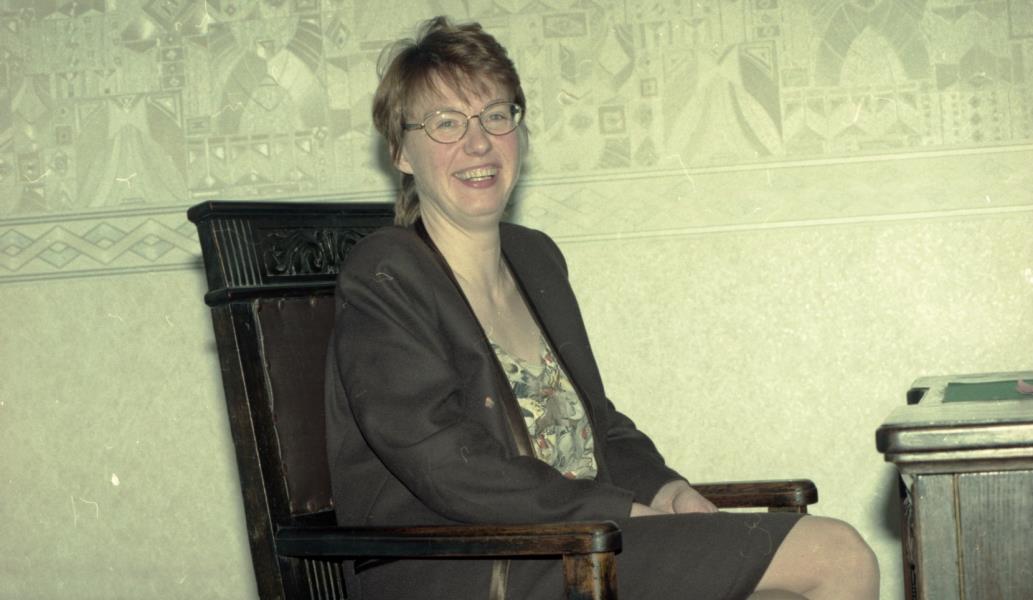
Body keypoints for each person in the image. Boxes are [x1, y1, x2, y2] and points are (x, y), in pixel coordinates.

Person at [325, 16, 879, 600]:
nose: (478, 141)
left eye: (496, 115)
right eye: (445, 122)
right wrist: (620, 512)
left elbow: (598, 425)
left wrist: (664, 490)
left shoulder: (535, 258)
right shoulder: (386, 274)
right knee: (835, 555)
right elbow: (447, 464)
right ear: (400, 152)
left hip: (574, 542)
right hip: (466, 561)